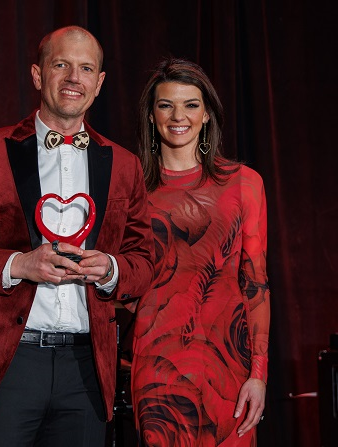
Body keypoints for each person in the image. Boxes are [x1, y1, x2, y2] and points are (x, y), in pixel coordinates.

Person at [0, 26, 154, 447]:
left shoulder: (124, 164)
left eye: (86, 68)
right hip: (4, 365)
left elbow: (144, 261)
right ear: (37, 74)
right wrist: (18, 265)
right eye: (61, 64)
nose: (73, 78)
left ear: (99, 83)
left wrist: (112, 270)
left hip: (86, 367)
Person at [131, 58, 270, 446]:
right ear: (151, 115)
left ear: (207, 114)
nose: (179, 116)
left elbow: (256, 284)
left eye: (191, 104)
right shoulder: (131, 190)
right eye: (165, 105)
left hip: (229, 367)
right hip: (157, 368)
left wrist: (258, 373)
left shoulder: (244, 183)